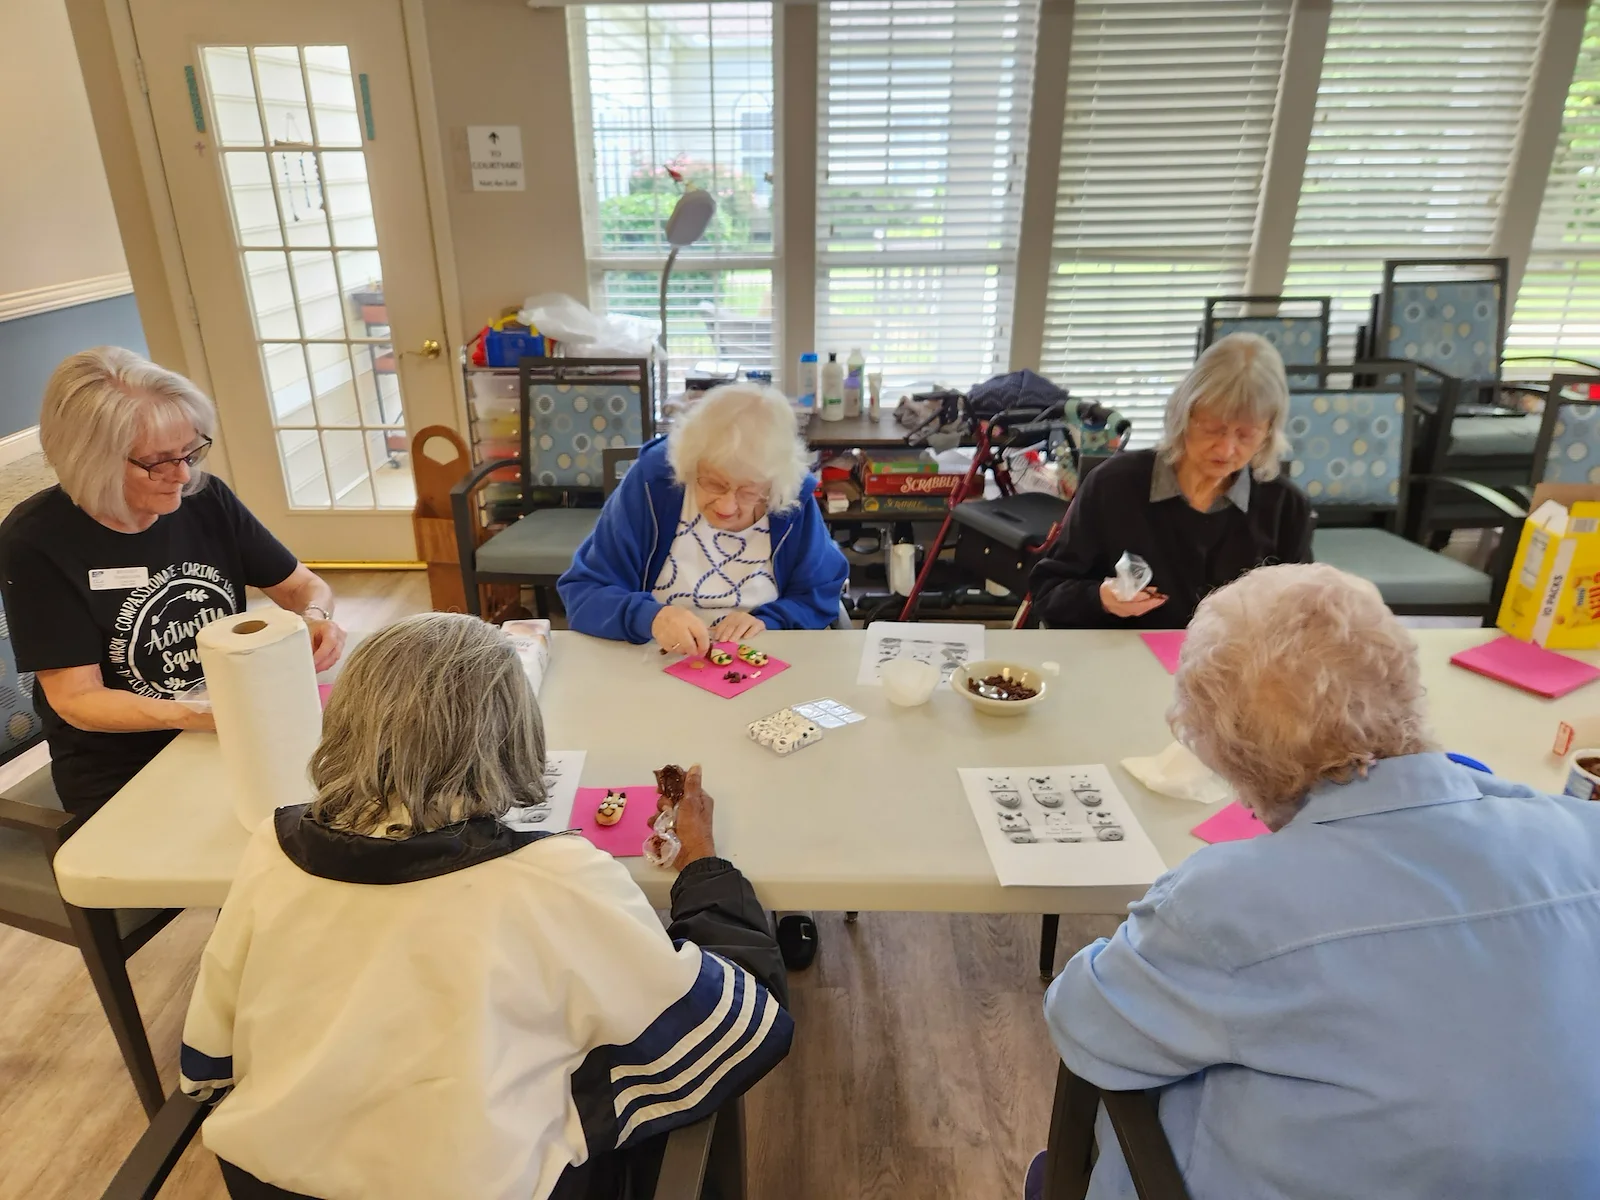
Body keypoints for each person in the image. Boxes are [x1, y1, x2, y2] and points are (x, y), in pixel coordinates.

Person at [1032, 564, 1600, 1200]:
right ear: (1404, 680)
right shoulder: (1583, 834)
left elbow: (1085, 1024)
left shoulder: (1228, 905)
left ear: (1225, 756)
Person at [180, 613, 792, 1200]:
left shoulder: (273, 846)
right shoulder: (551, 875)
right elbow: (736, 1027)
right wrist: (703, 865)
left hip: (267, 1181)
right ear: (514, 736)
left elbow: (208, 1065)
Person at [0, 348, 345, 819]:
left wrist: (316, 618)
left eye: (189, 452)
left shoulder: (206, 499)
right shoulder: (37, 541)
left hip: (232, 728)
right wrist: (204, 715)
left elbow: (302, 586)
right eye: (158, 462)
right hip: (126, 766)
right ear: (91, 460)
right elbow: (78, 699)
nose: (183, 475)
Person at [1028, 333, 1311, 630]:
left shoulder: (1286, 507)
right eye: (1212, 428)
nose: (1227, 449)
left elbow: (1303, 613)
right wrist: (1101, 598)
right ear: (1183, 415)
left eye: (1246, 435)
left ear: (1268, 432)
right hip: (1124, 652)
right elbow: (1048, 591)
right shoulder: (1115, 485)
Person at [558, 382, 848, 655]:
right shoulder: (654, 482)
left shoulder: (790, 495)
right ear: (691, 464)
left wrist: (770, 620)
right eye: (713, 483)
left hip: (761, 659)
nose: (726, 506)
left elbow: (818, 594)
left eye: (748, 492)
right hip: (656, 658)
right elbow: (584, 592)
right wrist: (651, 617)